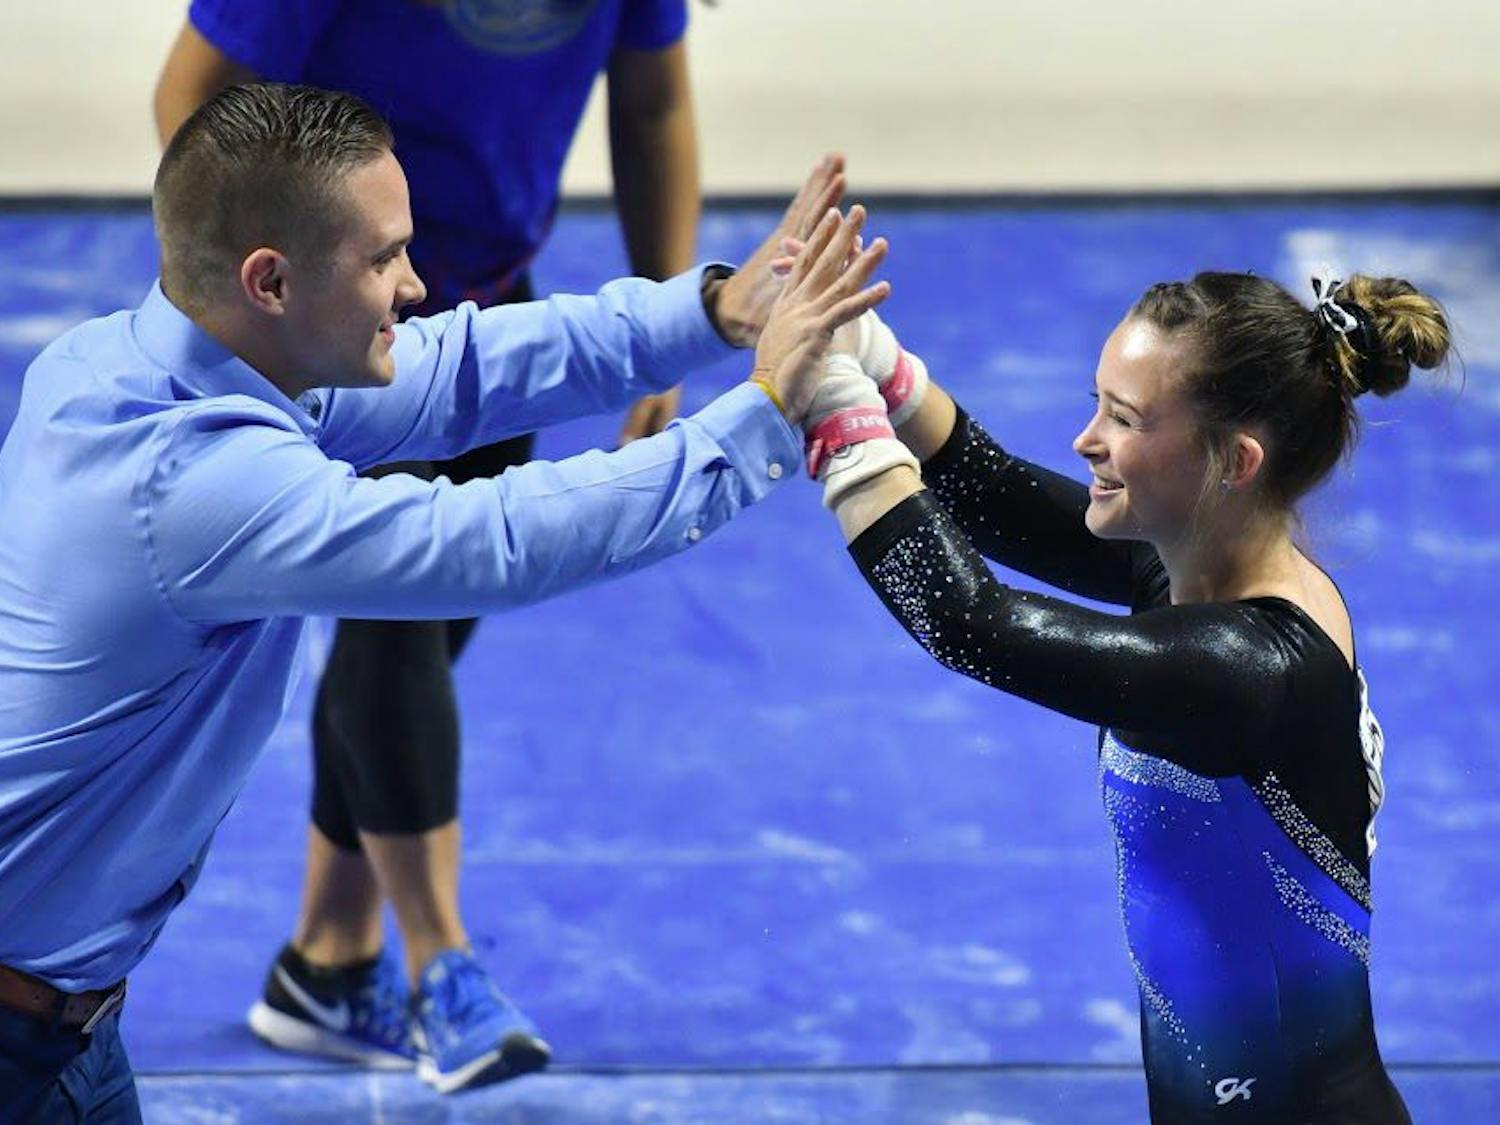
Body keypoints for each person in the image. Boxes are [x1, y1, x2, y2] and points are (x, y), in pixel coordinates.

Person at [0, 81, 887, 1120]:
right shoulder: (198, 488)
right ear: (272, 280)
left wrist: (712, 311)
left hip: (63, 1019)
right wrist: (772, 414)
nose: (413, 285)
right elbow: (496, 539)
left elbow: (458, 368)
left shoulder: (126, 359)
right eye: (382, 258)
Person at [151, 0, 704, 1087]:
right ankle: (439, 959)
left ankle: (327, 958)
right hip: (336, 327)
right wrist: (259, 305)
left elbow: (655, 101)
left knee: (418, 632)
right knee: (395, 612)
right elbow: (188, 97)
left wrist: (667, 320)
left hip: (489, 312)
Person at [793, 272, 1448, 1121]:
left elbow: (970, 622)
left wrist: (831, 407)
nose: (1084, 439)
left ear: (1234, 461)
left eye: (1125, 419)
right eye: (1096, 402)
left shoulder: (1245, 666)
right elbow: (990, 492)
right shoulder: (1195, 572)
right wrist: (862, 349)